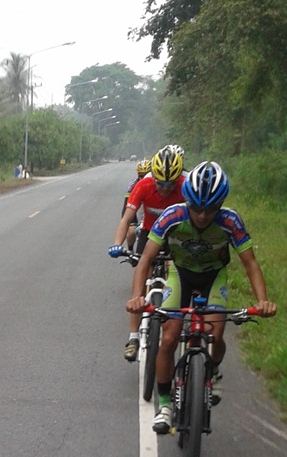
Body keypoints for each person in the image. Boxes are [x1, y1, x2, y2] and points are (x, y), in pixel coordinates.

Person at [125, 161, 277, 433]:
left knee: (215, 334)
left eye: (211, 209)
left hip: (213, 276)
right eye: (196, 208)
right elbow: (146, 260)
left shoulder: (230, 221)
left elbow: (251, 263)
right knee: (169, 338)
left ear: (221, 205)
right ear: (187, 201)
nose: (203, 215)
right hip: (180, 274)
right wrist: (138, 297)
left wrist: (262, 301)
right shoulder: (172, 216)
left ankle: (214, 370)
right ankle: (165, 405)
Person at [109, 146, 187, 361]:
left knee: (176, 273)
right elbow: (127, 219)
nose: (165, 189)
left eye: (170, 184)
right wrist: (117, 244)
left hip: (176, 237)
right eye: (160, 183)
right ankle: (133, 337)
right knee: (141, 279)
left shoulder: (185, 187)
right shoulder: (143, 185)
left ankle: (175, 317)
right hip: (150, 234)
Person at [121, 158, 151, 251]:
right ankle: (130, 249)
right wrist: (127, 221)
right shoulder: (133, 186)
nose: (143, 178)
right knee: (131, 231)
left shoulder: (157, 183)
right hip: (135, 209)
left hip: (149, 210)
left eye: (146, 174)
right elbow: (127, 204)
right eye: (141, 176)